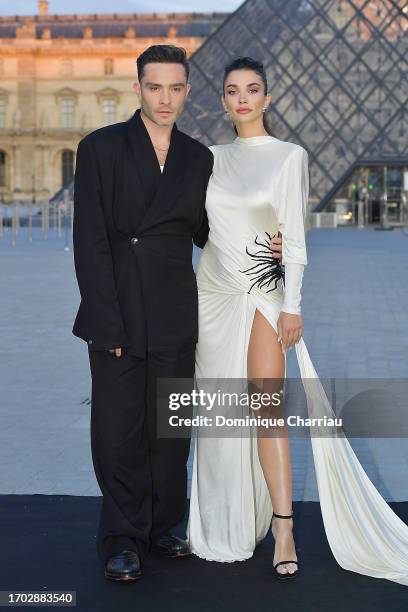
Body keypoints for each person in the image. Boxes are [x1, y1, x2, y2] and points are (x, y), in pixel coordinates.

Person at [187, 57, 408, 585]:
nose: (243, 98)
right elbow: (195, 224)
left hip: (265, 293)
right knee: (218, 413)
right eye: (233, 90)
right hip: (212, 293)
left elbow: (296, 237)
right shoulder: (208, 159)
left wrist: (293, 305)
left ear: (267, 98)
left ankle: (283, 529)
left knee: (266, 410)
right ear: (222, 100)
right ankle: (227, 522)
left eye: (253, 89)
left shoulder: (289, 157)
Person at [71, 46, 283, 582]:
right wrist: (105, 320)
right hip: (117, 305)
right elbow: (89, 242)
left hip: (175, 308)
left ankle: (163, 526)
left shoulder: (198, 157)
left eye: (175, 88)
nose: (165, 98)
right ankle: (121, 536)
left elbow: (211, 231)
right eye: (154, 87)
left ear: (187, 90)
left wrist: (268, 240)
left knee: (169, 429)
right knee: (117, 431)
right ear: (137, 88)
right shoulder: (100, 148)